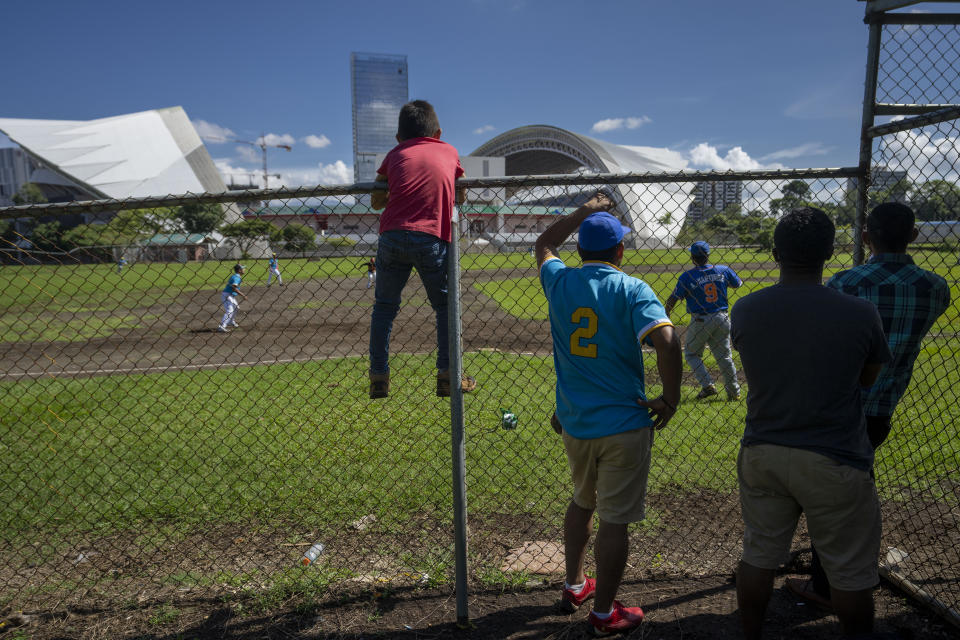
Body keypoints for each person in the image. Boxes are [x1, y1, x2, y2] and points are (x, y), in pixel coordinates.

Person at [730, 207, 892, 639]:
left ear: (775, 252)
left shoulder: (746, 309)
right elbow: (867, 377)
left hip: (763, 449)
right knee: (850, 574)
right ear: (831, 253)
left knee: (759, 556)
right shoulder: (861, 313)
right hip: (835, 456)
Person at [786, 201, 951, 606]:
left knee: (833, 497)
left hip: (837, 403)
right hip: (881, 408)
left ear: (865, 237)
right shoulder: (935, 287)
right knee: (851, 488)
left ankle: (832, 584)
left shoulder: (846, 283)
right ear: (913, 236)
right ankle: (848, 572)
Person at [536, 192, 682, 636]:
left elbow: (543, 243)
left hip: (575, 423)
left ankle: (575, 584)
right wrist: (671, 397)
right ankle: (603, 615)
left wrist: (584, 211)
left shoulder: (559, 280)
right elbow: (669, 341)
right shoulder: (633, 288)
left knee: (582, 501)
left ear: (579, 250)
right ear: (621, 250)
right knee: (614, 520)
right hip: (624, 424)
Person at [367, 99, 475, 399]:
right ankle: (446, 374)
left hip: (392, 236)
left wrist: (399, 192)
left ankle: (378, 376)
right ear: (438, 132)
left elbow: (376, 200)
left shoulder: (395, 154)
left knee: (384, 309)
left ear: (398, 137)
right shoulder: (450, 151)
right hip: (431, 238)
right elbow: (462, 194)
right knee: (444, 309)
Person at [664, 241, 742, 400]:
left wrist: (666, 314)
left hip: (700, 320)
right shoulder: (723, 269)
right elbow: (737, 284)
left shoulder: (688, 276)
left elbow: (673, 299)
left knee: (692, 354)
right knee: (724, 356)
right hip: (722, 317)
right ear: (708, 255)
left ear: (692, 257)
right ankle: (734, 393)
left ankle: (707, 385)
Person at [218, 264, 247, 333]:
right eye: (243, 268)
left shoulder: (236, 276)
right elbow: (234, 288)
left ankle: (231, 321)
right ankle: (222, 326)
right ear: (239, 270)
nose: (244, 269)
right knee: (230, 310)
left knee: (236, 308)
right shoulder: (236, 278)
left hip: (230, 295)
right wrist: (243, 295)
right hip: (227, 295)